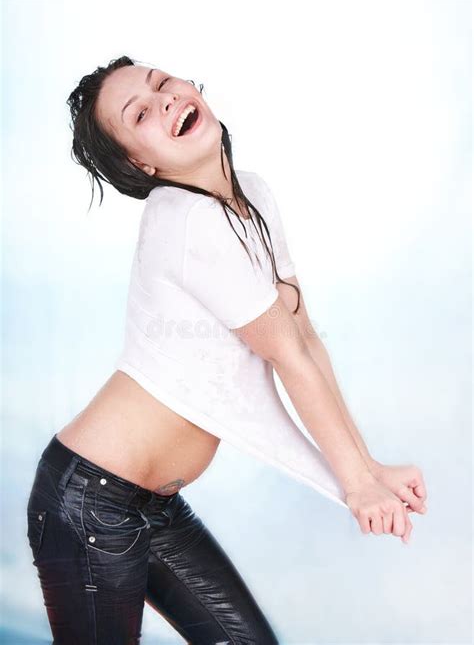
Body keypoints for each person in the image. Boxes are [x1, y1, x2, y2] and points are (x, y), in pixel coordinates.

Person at [26, 56, 428, 644]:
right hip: (87, 502)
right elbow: (286, 357)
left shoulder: (253, 197)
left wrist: (366, 471)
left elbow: (305, 341)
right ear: (142, 163)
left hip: (153, 507)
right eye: (140, 113)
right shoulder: (183, 219)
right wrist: (355, 484)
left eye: (162, 83)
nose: (163, 99)